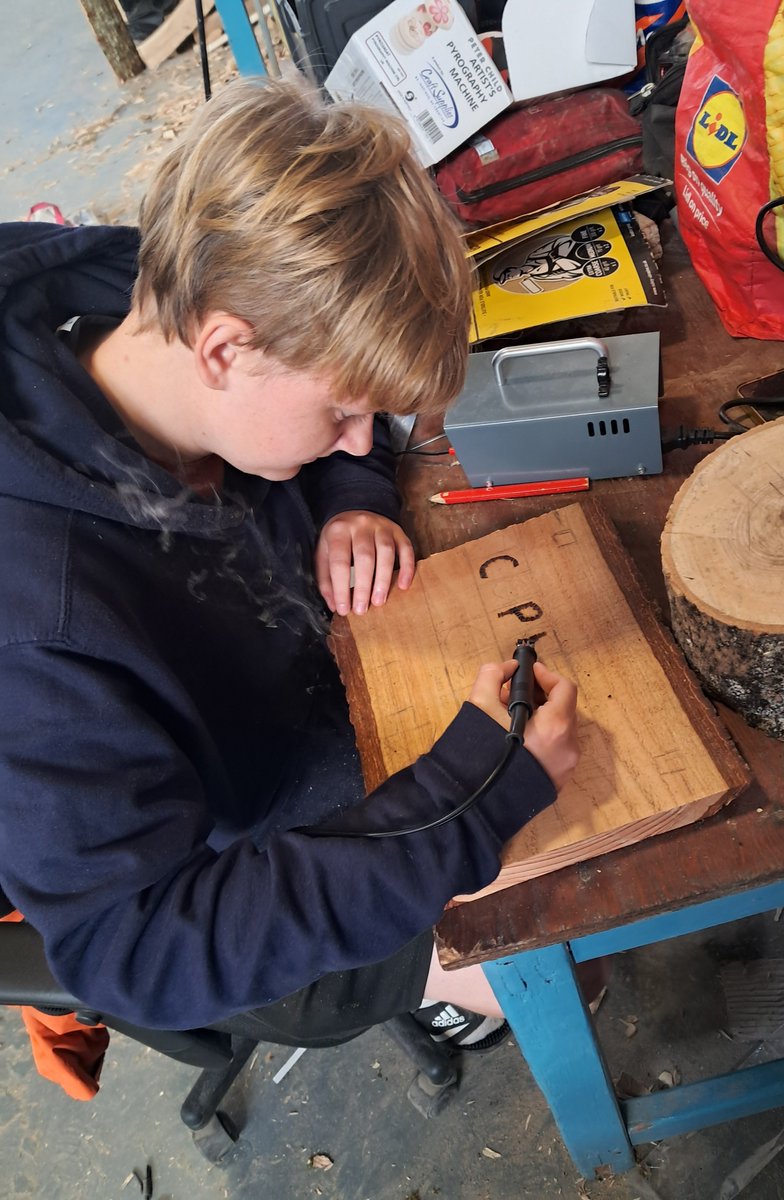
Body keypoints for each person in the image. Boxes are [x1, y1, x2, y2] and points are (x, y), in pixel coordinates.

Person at [0, 75, 580, 1056]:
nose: (362, 439)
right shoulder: (37, 637)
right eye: (343, 415)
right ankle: (446, 991)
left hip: (296, 685)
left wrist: (350, 500)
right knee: (561, 942)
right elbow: (133, 950)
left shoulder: (158, 291)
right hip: (234, 880)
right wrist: (463, 804)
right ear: (225, 351)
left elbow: (331, 422)